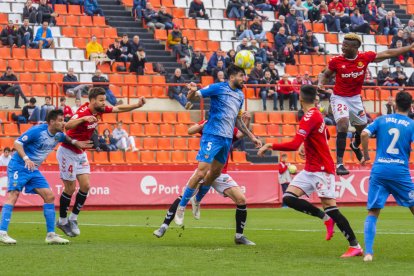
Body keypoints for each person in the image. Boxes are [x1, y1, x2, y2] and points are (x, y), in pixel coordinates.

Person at [258, 85, 363, 258]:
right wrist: (305, 145)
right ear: (314, 98)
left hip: (322, 169)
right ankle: (324, 218)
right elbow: (327, 136)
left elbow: (292, 144)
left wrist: (270, 145)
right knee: (289, 198)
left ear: (300, 98)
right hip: (310, 168)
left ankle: (355, 245)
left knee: (332, 207)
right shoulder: (317, 114)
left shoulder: (309, 116)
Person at [175, 65, 262, 226]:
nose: (244, 79)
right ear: (232, 77)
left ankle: (197, 200)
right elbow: (194, 98)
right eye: (241, 76)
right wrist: (192, 91)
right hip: (212, 135)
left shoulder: (240, 95)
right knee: (201, 173)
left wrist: (252, 137)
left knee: (214, 174)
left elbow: (238, 120)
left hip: (226, 140)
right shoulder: (217, 88)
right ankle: (181, 207)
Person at [318, 33, 414, 175]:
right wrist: (321, 83)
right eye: (342, 44)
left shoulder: (365, 57)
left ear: (355, 47)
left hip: (355, 99)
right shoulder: (336, 61)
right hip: (339, 97)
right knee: (343, 123)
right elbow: (325, 74)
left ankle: (355, 145)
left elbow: (387, 53)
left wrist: (410, 47)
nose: (342, 47)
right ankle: (339, 163)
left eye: (345, 45)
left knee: (362, 129)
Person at [153, 113, 256, 245]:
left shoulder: (229, 127)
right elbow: (190, 130)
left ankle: (239, 237)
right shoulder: (209, 123)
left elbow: (240, 135)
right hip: (204, 169)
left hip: (220, 173)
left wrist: (246, 121)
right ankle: (163, 227)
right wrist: (203, 124)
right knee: (184, 195)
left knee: (241, 199)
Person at [56, 88, 146, 237]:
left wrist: (137, 105)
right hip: (68, 152)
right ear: (92, 101)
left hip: (81, 152)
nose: (104, 103)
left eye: (104, 100)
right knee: (70, 189)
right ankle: (62, 220)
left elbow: (118, 108)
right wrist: (83, 119)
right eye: (101, 100)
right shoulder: (84, 112)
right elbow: (68, 125)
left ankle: (73, 218)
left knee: (85, 186)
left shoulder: (100, 110)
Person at [0, 110, 92, 245]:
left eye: (63, 120)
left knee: (49, 196)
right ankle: (2, 232)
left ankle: (51, 235)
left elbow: (64, 138)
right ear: (51, 122)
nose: (63, 123)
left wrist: (74, 142)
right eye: (60, 120)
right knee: (13, 194)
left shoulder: (58, 135)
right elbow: (17, 143)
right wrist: (26, 158)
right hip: (19, 166)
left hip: (33, 170)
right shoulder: (37, 131)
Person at [361, 91, 414, 262]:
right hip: (400, 172)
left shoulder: (381, 120)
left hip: (380, 170)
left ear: (395, 104)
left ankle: (368, 253)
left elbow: (363, 134)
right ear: (411, 106)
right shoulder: (411, 124)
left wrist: (366, 155)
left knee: (373, 212)